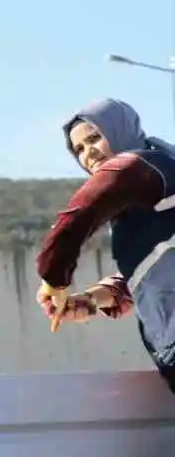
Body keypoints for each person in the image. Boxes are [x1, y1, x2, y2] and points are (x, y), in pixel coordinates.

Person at [34, 97, 175, 393]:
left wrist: (54, 276)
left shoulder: (149, 166)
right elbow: (153, 278)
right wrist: (92, 299)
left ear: (120, 129)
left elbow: (81, 214)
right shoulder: (145, 201)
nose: (89, 154)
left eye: (95, 138)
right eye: (79, 150)